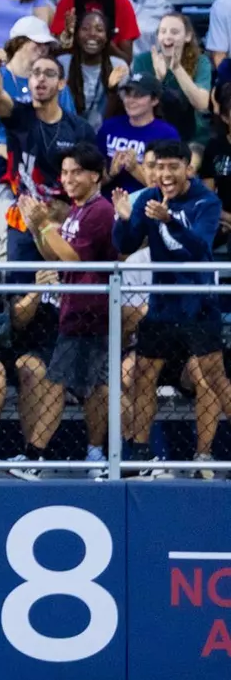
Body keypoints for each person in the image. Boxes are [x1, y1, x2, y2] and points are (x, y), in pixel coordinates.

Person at [113, 139, 229, 478]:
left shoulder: (207, 202)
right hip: (162, 305)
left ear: (187, 169)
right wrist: (123, 220)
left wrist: (170, 221)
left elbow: (200, 248)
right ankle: (140, 455)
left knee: (214, 378)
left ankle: (204, 455)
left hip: (197, 304)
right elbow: (126, 243)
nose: (164, 174)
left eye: (172, 167)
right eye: (157, 167)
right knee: (143, 375)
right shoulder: (148, 198)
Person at [19, 143, 114, 471]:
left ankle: (35, 456)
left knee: (56, 382)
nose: (68, 179)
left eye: (77, 172)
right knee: (94, 387)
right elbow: (55, 257)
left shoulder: (100, 211)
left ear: (96, 176)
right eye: (64, 172)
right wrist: (36, 229)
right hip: (76, 309)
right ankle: (101, 453)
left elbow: (74, 259)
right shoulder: (77, 209)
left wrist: (46, 224)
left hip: (90, 310)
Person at [0, 46, 96, 270]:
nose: (41, 78)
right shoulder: (18, 115)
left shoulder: (79, 128)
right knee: (20, 287)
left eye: (49, 74)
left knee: (61, 284)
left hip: (64, 220)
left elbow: (92, 176)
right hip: (23, 219)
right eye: (36, 73)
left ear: (61, 84)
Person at [129, 12, 210, 143]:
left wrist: (177, 69)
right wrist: (157, 80)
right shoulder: (142, 60)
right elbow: (137, 105)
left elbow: (202, 104)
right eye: (163, 32)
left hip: (191, 134)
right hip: (153, 132)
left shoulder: (201, 61)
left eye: (174, 32)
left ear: (188, 36)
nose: (167, 36)